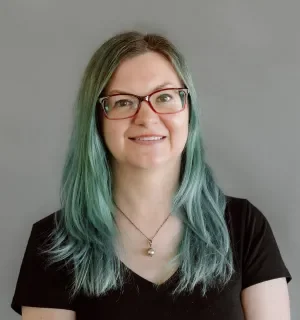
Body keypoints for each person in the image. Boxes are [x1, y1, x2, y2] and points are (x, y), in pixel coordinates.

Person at [11, 31, 292, 319]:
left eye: (165, 97)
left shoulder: (245, 226)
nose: (147, 117)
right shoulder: (54, 242)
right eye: (123, 102)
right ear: (96, 120)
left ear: (188, 111)